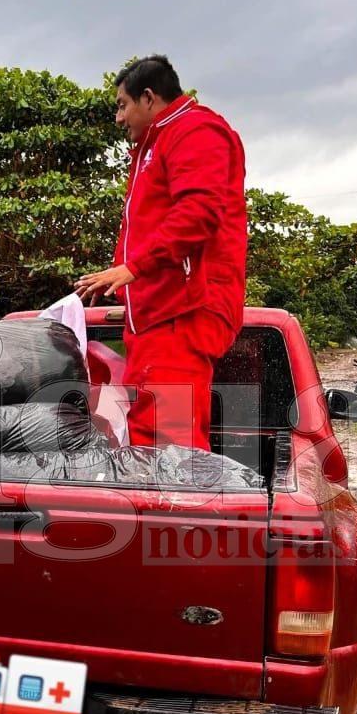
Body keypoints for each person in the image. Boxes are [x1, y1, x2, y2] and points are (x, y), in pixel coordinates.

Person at [75, 55, 247, 450]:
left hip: (183, 311)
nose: (119, 118)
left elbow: (198, 212)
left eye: (122, 105)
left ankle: (179, 514)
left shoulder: (195, 130)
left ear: (149, 98)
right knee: (147, 438)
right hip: (157, 316)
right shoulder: (154, 144)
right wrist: (127, 290)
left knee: (169, 446)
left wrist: (133, 269)